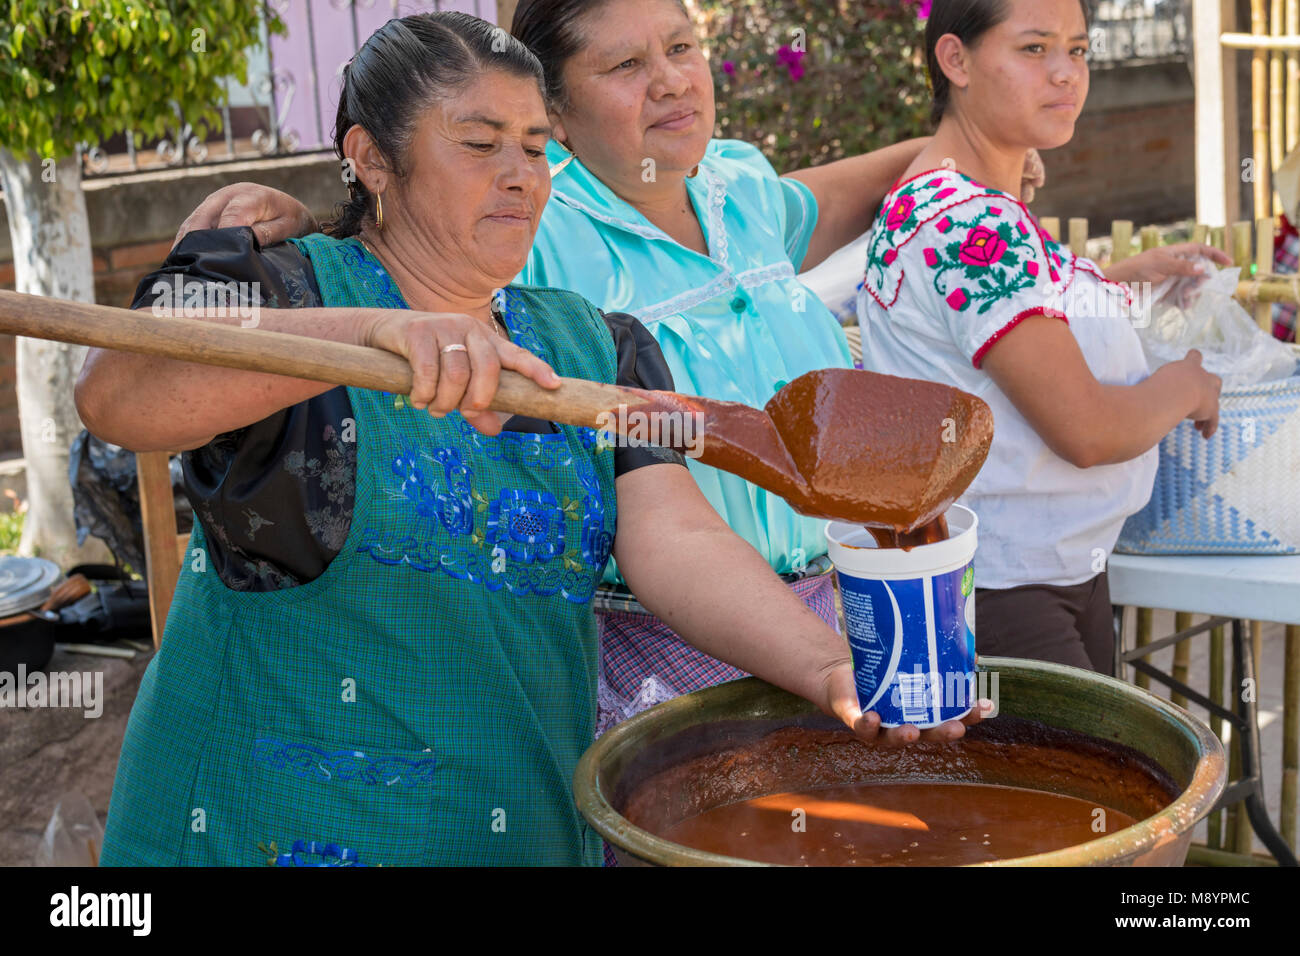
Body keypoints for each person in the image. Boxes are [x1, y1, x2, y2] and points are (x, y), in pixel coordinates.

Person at [79, 12, 984, 867]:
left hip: (511, 822)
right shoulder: (275, 283)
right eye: (479, 144)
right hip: (270, 827)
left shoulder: (593, 343)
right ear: (372, 160)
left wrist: (826, 664)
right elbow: (118, 395)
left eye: (536, 147)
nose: (519, 174)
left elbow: (675, 538)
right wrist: (371, 338)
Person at [856, 0, 1226, 673]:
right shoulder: (973, 224)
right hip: (1004, 589)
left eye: (1078, 50)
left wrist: (1118, 282)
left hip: (1027, 570)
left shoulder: (949, 200)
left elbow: (995, 333)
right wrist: (1186, 387)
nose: (1065, 75)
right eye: (1034, 50)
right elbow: (1084, 430)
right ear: (955, 59)